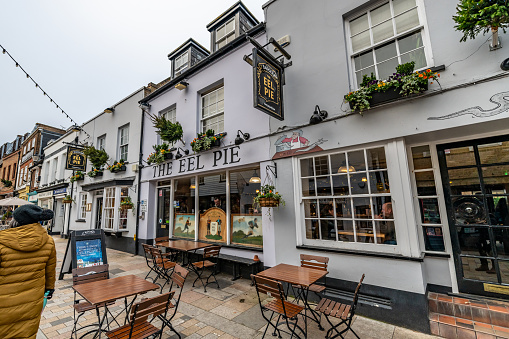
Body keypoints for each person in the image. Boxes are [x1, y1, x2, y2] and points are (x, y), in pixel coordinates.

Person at [0, 204, 56, 339]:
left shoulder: (2, 241)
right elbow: (50, 271)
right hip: (32, 303)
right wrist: (49, 289)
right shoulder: (48, 241)